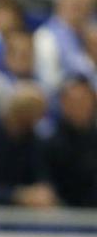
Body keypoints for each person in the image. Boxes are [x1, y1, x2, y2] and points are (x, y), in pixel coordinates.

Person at [42, 77, 97, 207]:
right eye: (72, 101)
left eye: (83, 100)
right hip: (62, 217)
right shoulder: (48, 143)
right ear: (62, 103)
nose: (78, 106)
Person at [33, 0, 97, 94]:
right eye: (74, 4)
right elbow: (49, 82)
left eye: (85, 5)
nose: (80, 10)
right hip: (65, 99)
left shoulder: (92, 33)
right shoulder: (46, 36)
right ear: (60, 5)